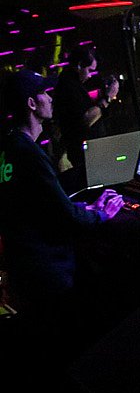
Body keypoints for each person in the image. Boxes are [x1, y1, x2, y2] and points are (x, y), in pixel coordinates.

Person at [0, 70, 124, 343]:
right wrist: (102, 214)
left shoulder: (9, 147)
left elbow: (37, 206)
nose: (50, 98)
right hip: (49, 274)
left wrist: (85, 207)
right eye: (44, 93)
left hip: (25, 271)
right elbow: (66, 216)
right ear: (32, 104)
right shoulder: (29, 153)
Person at [52, 45, 117, 193]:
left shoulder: (70, 84)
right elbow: (85, 120)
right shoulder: (68, 86)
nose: (90, 76)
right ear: (80, 65)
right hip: (82, 158)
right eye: (89, 70)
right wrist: (108, 98)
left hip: (86, 155)